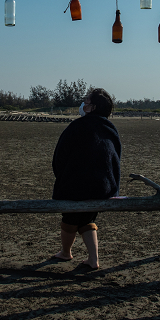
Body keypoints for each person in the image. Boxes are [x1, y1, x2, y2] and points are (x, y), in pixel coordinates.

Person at [50, 87, 121, 271]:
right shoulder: (110, 128)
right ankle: (93, 259)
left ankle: (66, 252)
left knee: (70, 216)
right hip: (104, 188)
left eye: (86, 101)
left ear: (92, 107)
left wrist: (63, 178)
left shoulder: (77, 126)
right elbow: (116, 159)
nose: (83, 103)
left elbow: (59, 157)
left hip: (76, 186)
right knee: (87, 217)